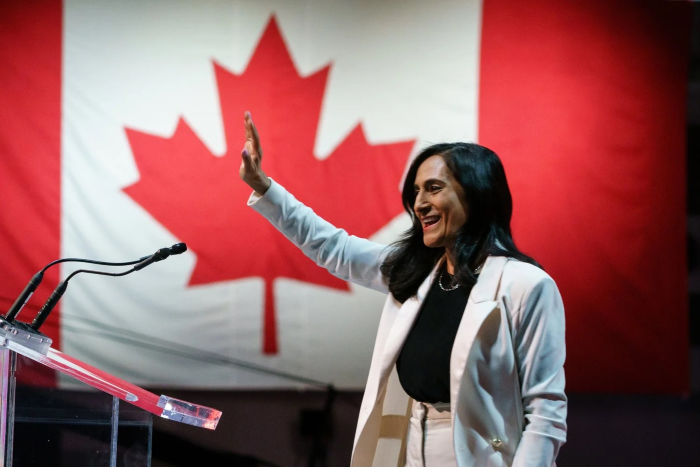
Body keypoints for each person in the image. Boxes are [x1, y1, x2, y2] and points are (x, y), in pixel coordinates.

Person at [240, 112, 567, 467]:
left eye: (434, 188)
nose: (419, 203)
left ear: (477, 194)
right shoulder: (416, 273)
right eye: (416, 191)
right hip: (412, 453)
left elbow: (545, 411)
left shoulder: (526, 285)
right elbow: (334, 248)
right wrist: (265, 188)